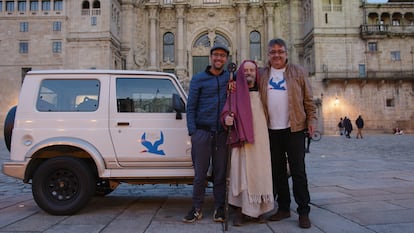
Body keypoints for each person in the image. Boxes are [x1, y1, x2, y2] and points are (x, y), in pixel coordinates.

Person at [258, 38, 317, 229]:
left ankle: (303, 211)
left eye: (280, 51)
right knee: (278, 172)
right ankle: (283, 208)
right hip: (271, 130)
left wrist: (312, 121)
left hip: (295, 128)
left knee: (298, 171)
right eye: (273, 52)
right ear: (268, 54)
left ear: (286, 53)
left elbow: (309, 100)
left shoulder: (297, 72)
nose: (277, 55)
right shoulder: (263, 75)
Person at [221, 60, 274, 226]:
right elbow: (225, 111)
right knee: (240, 174)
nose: (248, 72)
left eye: (252, 70)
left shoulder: (264, 92)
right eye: (245, 70)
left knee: (260, 173)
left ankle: (259, 210)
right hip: (242, 140)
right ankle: (240, 211)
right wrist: (226, 119)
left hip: (261, 141)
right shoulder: (234, 92)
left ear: (256, 72)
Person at [183, 44, 230, 223]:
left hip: (221, 134)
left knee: (220, 173)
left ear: (226, 59)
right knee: (200, 174)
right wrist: (193, 132)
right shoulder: (198, 79)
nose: (219, 58)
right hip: (202, 133)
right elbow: (191, 107)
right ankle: (196, 208)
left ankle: (219, 208)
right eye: (216, 55)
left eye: (223, 56)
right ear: (211, 57)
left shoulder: (229, 79)